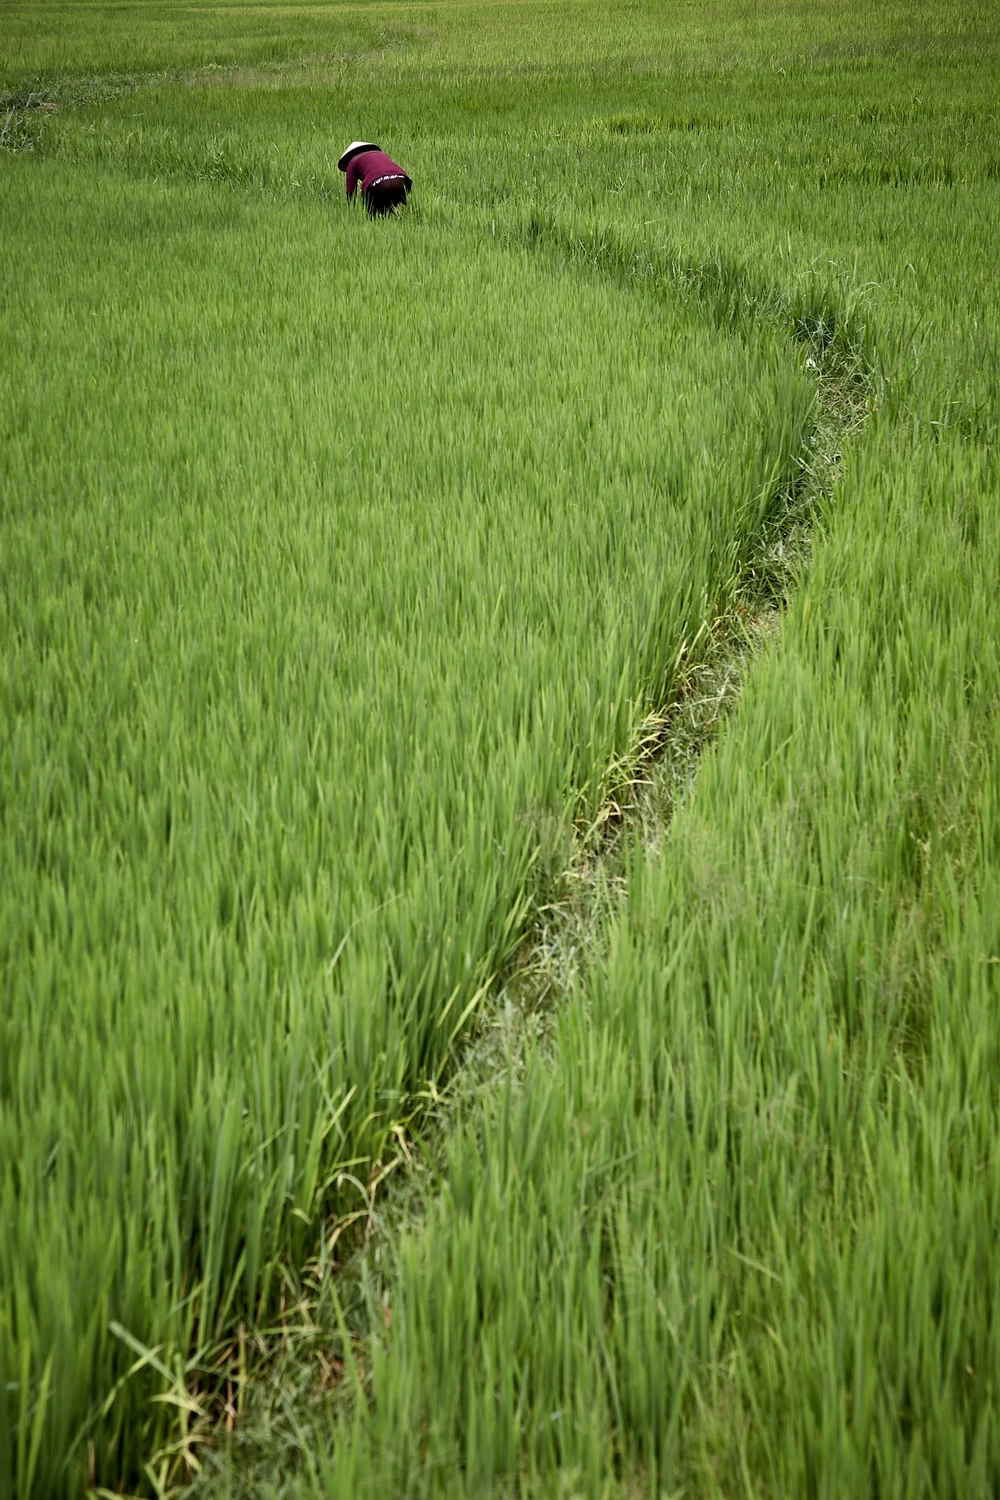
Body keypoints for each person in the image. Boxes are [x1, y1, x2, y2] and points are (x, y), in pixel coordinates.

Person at [338, 141, 413, 217]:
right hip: (402, 180)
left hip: (378, 185)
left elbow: (351, 190)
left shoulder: (353, 161)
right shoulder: (382, 154)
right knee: (389, 211)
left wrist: (351, 209)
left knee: (372, 215)